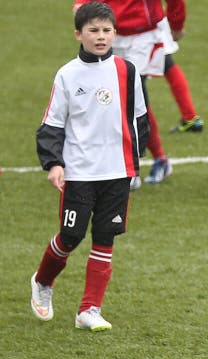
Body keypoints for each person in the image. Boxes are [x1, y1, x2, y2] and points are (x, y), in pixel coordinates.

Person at [31, 1, 148, 331]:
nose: (101, 37)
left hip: (117, 171)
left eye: (107, 30)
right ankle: (42, 282)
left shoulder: (127, 71)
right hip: (80, 171)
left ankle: (89, 310)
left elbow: (140, 118)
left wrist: (133, 163)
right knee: (71, 235)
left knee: (106, 236)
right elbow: (52, 124)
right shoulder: (68, 74)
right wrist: (54, 163)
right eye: (93, 30)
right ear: (78, 34)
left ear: (115, 33)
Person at [72, 0, 187, 189]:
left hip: (144, 36)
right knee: (115, 100)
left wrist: (176, 23)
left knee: (131, 98)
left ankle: (132, 166)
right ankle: (159, 159)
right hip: (111, 32)